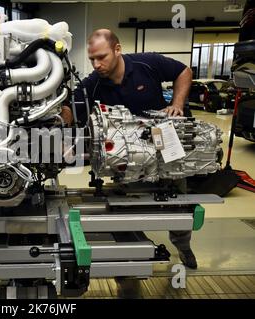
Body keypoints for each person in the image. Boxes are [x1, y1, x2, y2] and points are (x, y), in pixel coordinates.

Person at [61, 29, 197, 269]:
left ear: (117, 49)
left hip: (164, 143)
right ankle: (132, 257)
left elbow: (183, 71)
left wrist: (177, 104)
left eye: (102, 57)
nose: (96, 64)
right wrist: (56, 114)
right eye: (92, 59)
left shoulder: (148, 63)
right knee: (129, 206)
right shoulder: (93, 85)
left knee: (179, 201)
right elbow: (71, 110)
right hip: (131, 155)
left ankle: (183, 246)